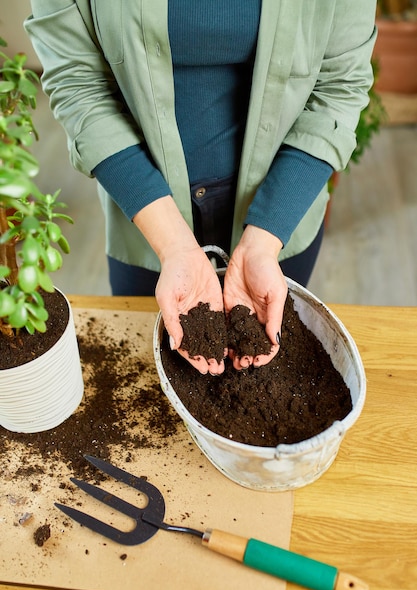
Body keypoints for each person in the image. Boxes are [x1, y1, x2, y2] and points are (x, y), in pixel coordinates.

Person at [25, 1, 377, 375]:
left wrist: (264, 240)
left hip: (279, 214)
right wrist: (173, 244)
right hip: (147, 215)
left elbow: (339, 87)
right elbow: (77, 84)